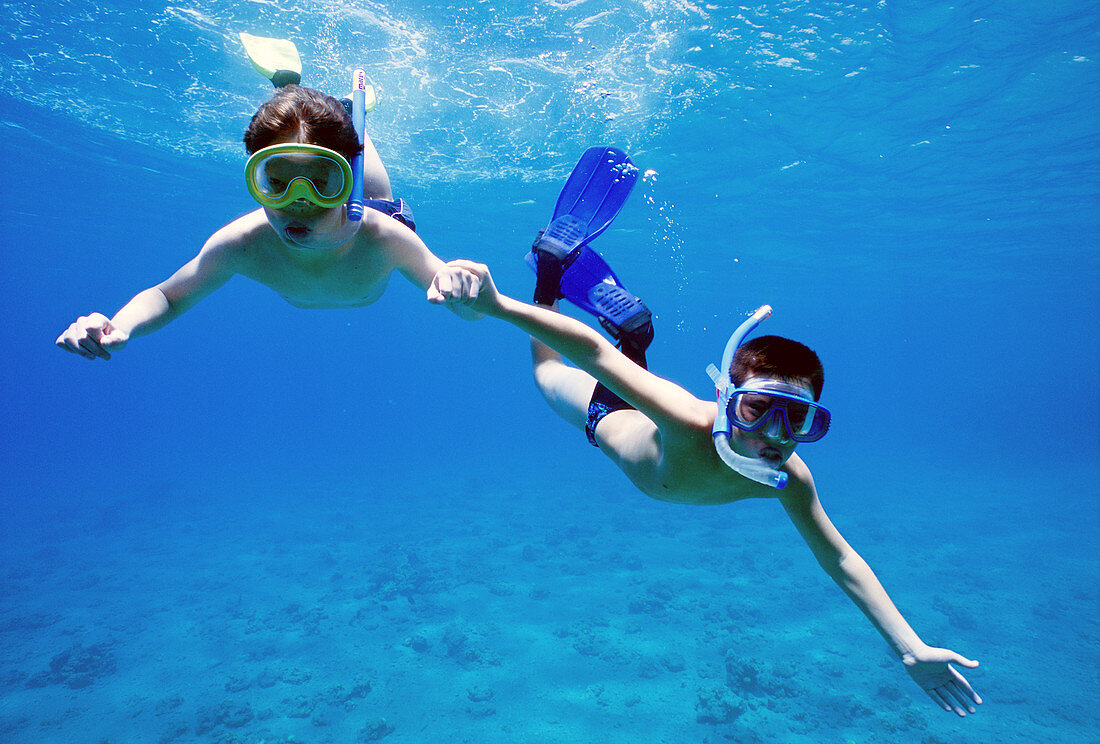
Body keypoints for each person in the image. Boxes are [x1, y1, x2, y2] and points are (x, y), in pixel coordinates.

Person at [425, 148, 982, 717]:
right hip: (609, 415)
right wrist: (496, 305)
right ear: (724, 403)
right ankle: (551, 272)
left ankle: (635, 334)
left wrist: (909, 648)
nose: (774, 433)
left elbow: (840, 558)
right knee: (546, 373)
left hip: (636, 406)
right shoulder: (688, 418)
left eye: (798, 418)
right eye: (758, 409)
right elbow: (587, 353)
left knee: (619, 359)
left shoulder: (788, 477)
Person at [56, 83, 477, 360]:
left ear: (343, 181)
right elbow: (168, 297)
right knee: (309, 134)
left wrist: (460, 287)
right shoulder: (243, 242)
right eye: (276, 183)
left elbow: (462, 301)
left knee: (376, 189)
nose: (299, 202)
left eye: (322, 182)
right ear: (257, 181)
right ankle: (296, 97)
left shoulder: (385, 238)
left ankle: (353, 117)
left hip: (372, 211)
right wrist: (120, 324)